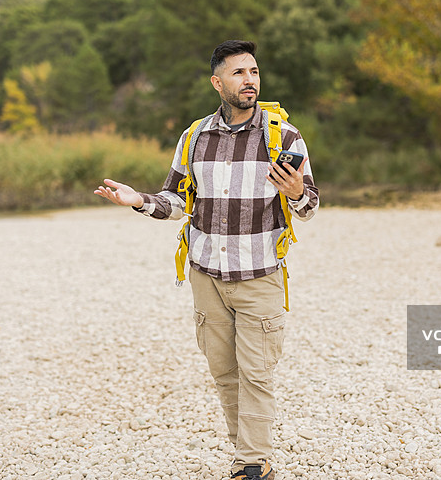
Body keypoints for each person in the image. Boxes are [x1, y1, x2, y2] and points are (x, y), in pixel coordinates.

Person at [94, 40, 319, 480]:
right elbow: (177, 201)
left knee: (257, 373)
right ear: (218, 82)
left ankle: (252, 462)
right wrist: (137, 200)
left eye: (254, 72)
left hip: (259, 275)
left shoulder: (284, 137)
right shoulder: (194, 137)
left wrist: (296, 192)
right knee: (225, 373)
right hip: (206, 276)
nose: (249, 80)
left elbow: (309, 207)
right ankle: (246, 454)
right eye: (239, 73)